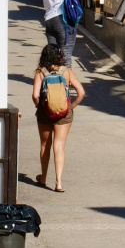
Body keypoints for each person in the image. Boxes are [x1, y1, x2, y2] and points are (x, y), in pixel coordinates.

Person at [31, 44, 85, 192]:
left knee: (45, 145)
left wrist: (40, 107)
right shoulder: (67, 71)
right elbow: (81, 92)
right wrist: (71, 107)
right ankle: (59, 183)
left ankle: (43, 178)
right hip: (64, 114)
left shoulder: (40, 72)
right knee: (59, 147)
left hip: (45, 113)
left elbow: (35, 95)